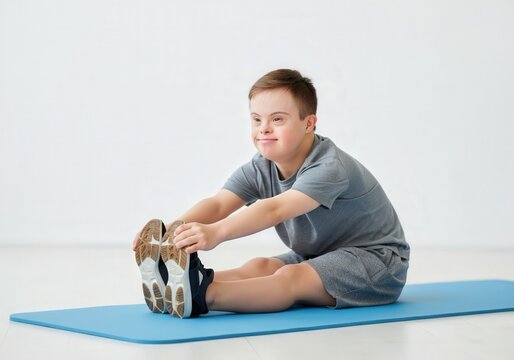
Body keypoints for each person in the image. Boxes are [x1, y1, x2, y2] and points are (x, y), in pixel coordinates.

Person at [132, 69, 410, 319]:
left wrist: (215, 233)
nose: (264, 128)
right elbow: (218, 204)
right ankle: (177, 285)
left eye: (277, 119)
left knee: (291, 276)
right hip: (320, 255)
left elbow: (275, 209)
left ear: (308, 123)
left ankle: (203, 295)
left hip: (378, 264)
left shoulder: (328, 167)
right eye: (256, 119)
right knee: (260, 265)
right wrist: (169, 233)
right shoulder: (261, 166)